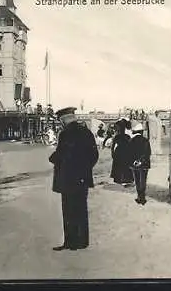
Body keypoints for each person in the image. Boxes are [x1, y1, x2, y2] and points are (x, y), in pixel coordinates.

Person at [49, 107, 99, 251]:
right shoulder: (86, 132)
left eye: (61, 121)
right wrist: (85, 170)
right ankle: (82, 242)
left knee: (69, 211)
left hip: (68, 179)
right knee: (81, 209)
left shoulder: (66, 134)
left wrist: (52, 159)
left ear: (64, 120)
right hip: (82, 179)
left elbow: (61, 154)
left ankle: (71, 243)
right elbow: (94, 155)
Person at [128, 123, 151, 205]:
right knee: (143, 180)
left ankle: (139, 197)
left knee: (137, 181)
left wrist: (135, 161)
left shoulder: (131, 141)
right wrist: (141, 161)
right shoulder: (145, 140)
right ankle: (143, 198)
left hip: (134, 165)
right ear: (141, 132)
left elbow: (129, 154)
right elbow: (148, 153)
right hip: (144, 164)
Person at [110, 120, 132, 184]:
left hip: (119, 152)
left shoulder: (117, 137)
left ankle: (118, 179)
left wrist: (112, 153)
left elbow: (112, 146)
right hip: (125, 152)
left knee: (119, 165)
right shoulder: (127, 136)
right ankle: (126, 178)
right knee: (125, 165)